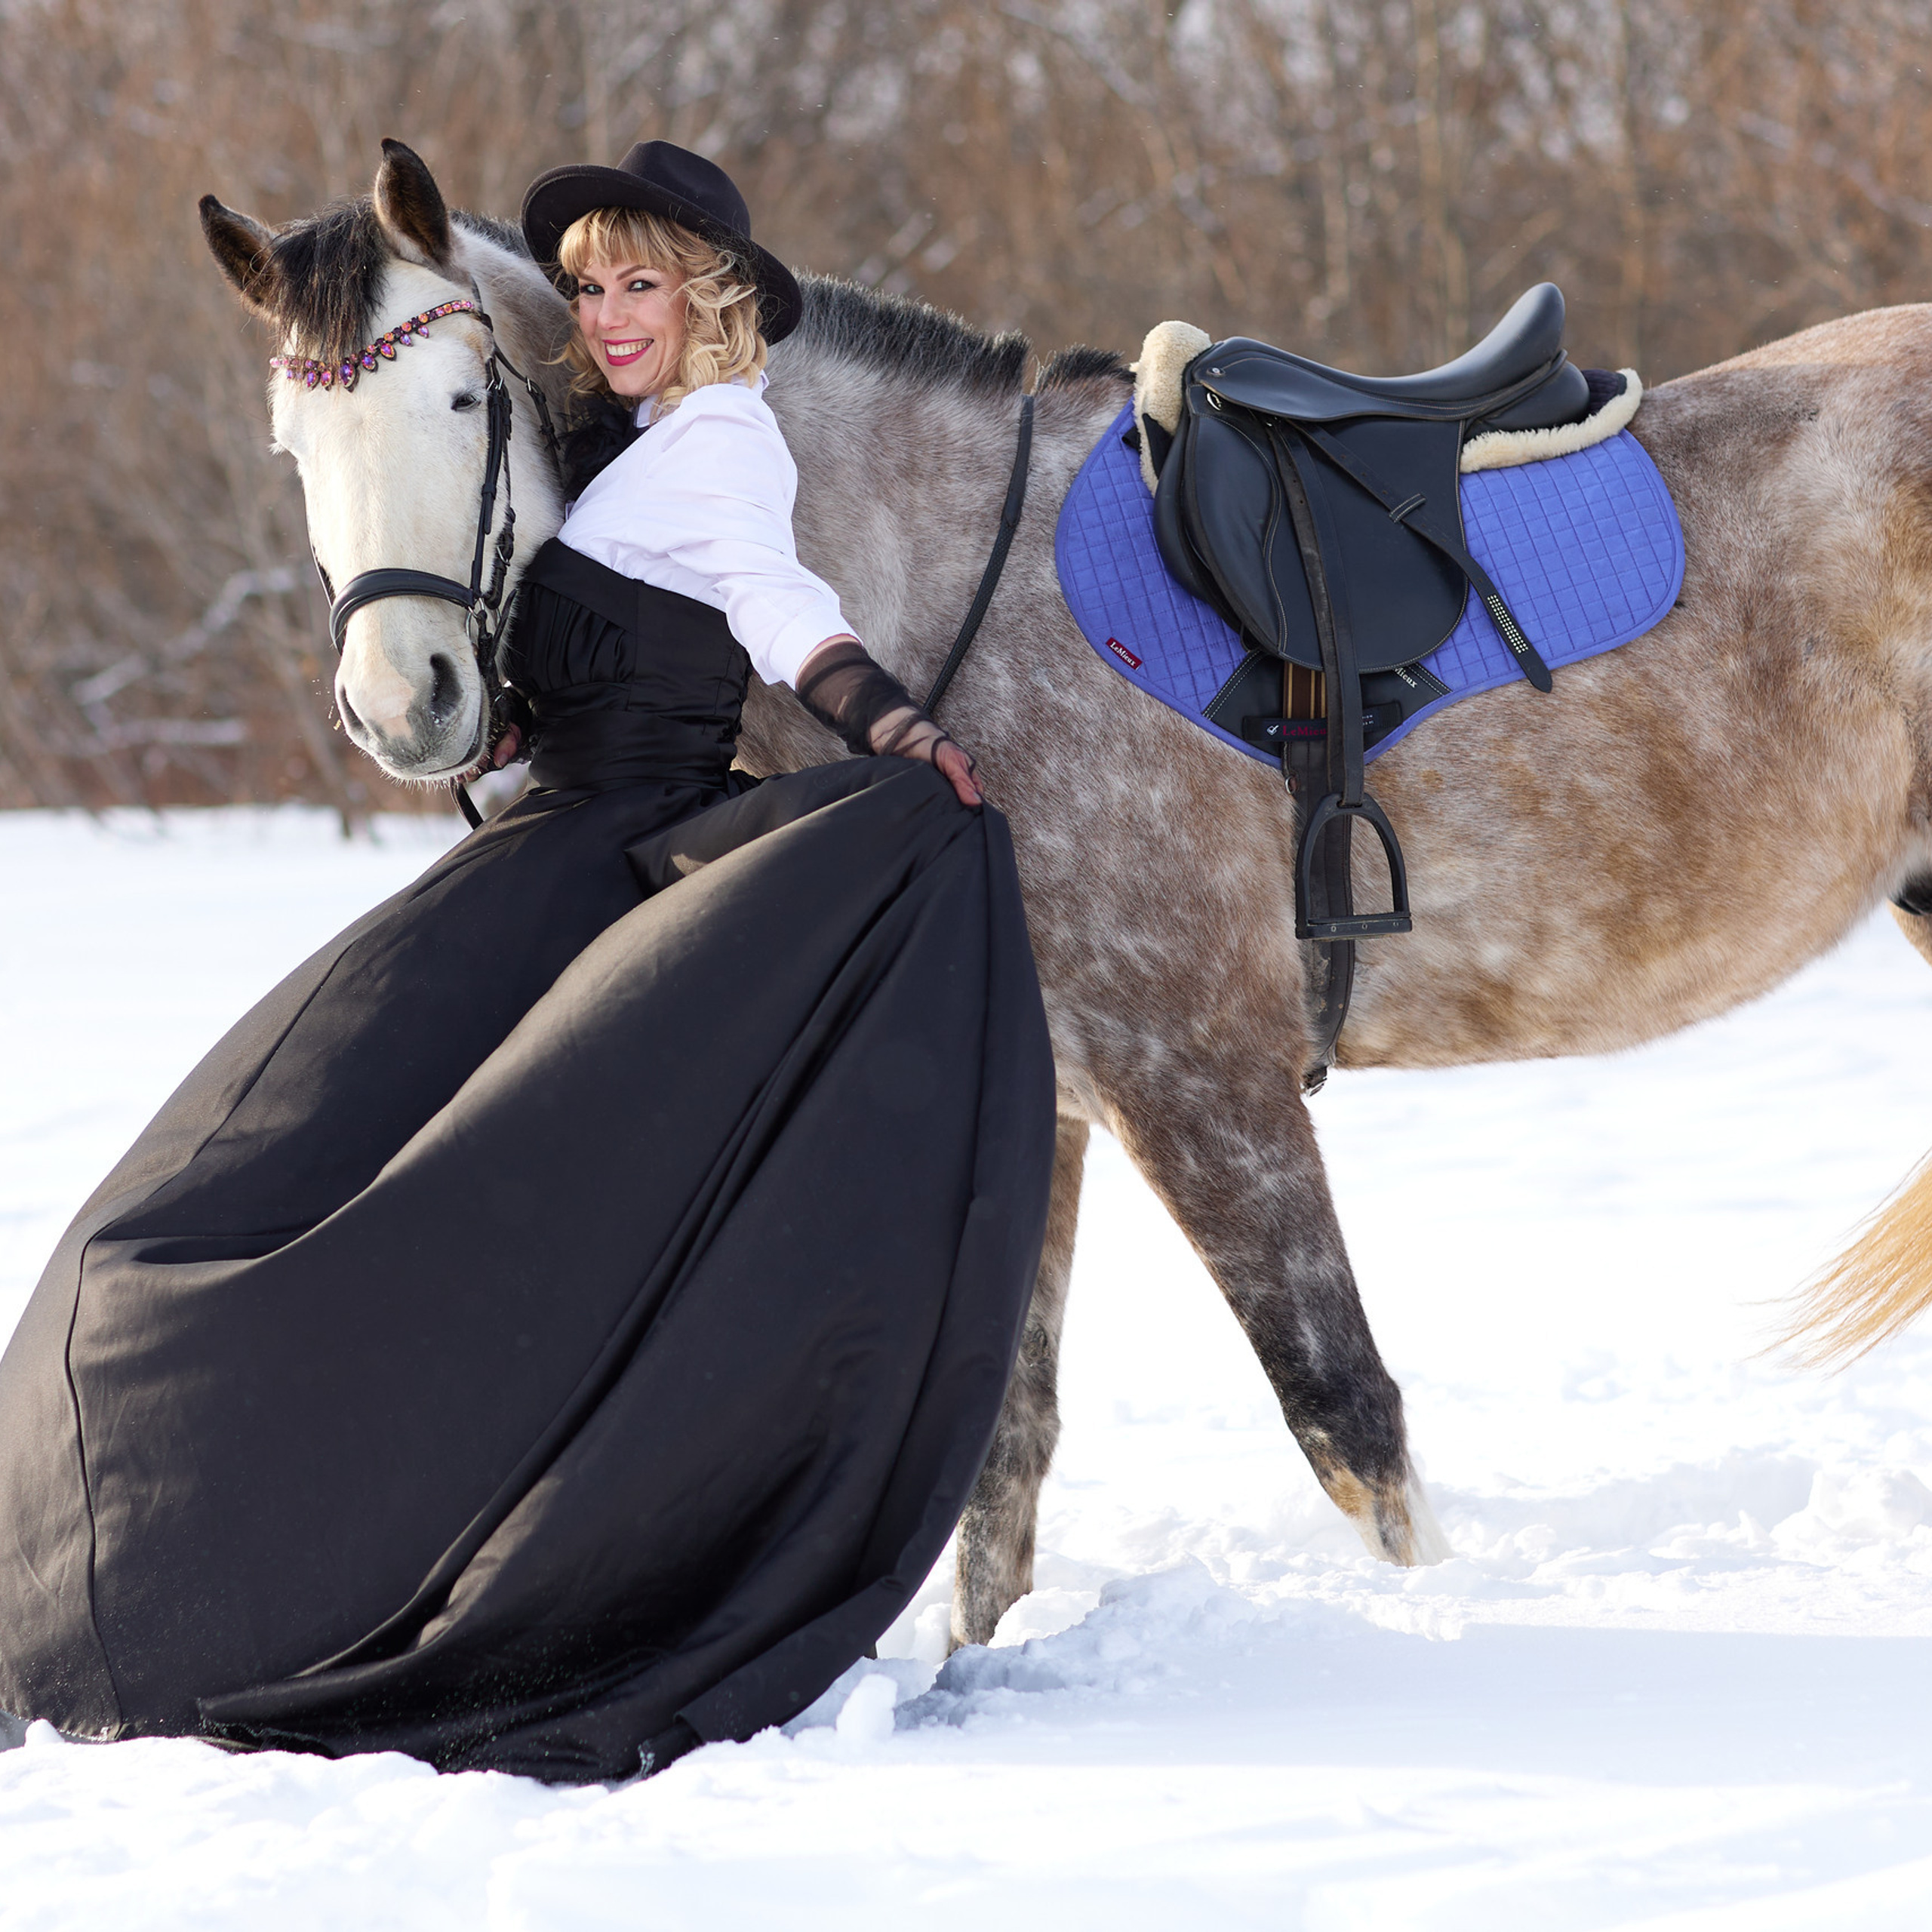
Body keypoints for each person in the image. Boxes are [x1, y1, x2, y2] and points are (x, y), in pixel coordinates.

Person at [0, 141, 1056, 1783]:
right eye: (590, 287)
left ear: (710, 299)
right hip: (537, 860)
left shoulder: (718, 446)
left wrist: (887, 718)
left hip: (603, 861)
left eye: (644, 284)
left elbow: (778, 610)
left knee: (320, 1223)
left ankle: (224, 1580)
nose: (611, 314)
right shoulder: (624, 449)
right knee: (257, 1184)